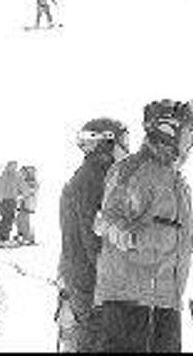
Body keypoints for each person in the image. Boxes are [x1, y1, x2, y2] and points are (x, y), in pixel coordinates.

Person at [92, 99, 193, 353]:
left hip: (165, 300)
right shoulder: (132, 171)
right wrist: (140, 238)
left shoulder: (176, 180)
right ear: (168, 131)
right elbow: (107, 221)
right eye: (189, 132)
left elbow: (173, 234)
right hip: (128, 302)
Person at [56, 117, 130, 352]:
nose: (127, 149)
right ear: (106, 143)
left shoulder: (86, 177)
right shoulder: (96, 180)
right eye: (123, 142)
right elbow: (95, 240)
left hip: (83, 285)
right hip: (95, 291)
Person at [0, 161, 25, 245]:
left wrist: (23, 194)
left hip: (11, 199)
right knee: (7, 218)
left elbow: (21, 186)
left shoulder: (15, 176)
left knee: (8, 218)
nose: (13, 168)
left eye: (14, 166)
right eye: (12, 166)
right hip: (5, 200)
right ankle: (0, 235)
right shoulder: (4, 177)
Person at [14, 165, 39, 245]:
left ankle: (27, 236)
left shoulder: (31, 182)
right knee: (20, 219)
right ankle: (22, 234)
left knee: (25, 220)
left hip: (26, 204)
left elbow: (29, 192)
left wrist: (22, 195)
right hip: (23, 204)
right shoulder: (24, 182)